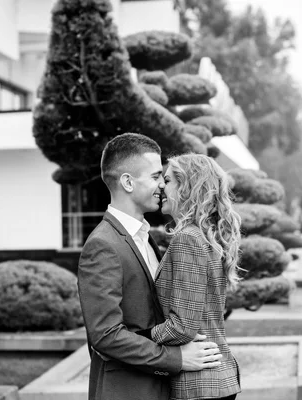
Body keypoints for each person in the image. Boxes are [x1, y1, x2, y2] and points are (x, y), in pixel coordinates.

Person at [78, 133, 223, 400]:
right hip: (127, 391)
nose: (162, 185)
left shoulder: (148, 237)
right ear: (128, 182)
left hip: (162, 389)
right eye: (156, 177)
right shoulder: (103, 245)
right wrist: (176, 358)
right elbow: (105, 336)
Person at [138, 153, 242, 400]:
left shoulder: (188, 239)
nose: (162, 186)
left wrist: (138, 338)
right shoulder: (203, 237)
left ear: (188, 187)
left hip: (199, 386)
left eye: (168, 180)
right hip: (212, 382)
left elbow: (183, 327)